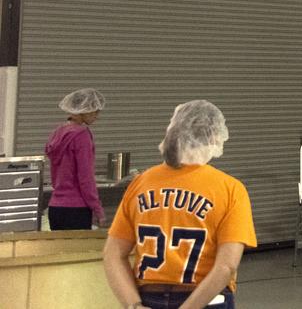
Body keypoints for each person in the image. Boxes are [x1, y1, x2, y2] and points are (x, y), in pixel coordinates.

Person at [103, 100, 257, 309]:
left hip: (149, 297)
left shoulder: (141, 183)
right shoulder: (230, 189)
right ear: (213, 136)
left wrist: (133, 305)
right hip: (205, 299)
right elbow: (226, 266)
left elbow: (113, 254)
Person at [45, 87, 106, 230]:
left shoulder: (58, 132)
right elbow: (85, 177)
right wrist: (97, 208)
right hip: (76, 209)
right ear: (83, 110)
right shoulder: (81, 135)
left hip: (55, 207)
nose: (97, 115)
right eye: (95, 110)